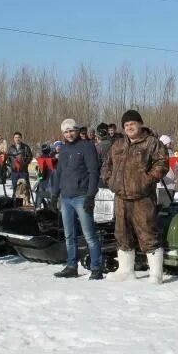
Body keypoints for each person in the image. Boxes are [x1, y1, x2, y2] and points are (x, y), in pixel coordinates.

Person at [101, 109, 170, 283]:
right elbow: (106, 165)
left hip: (143, 197)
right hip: (121, 197)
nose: (129, 127)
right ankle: (125, 270)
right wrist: (110, 181)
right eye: (126, 125)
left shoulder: (152, 143)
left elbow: (162, 164)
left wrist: (146, 181)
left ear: (140, 124)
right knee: (122, 233)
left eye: (132, 123)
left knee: (147, 233)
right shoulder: (117, 145)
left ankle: (155, 273)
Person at [52, 118, 105, 279]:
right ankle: (71, 266)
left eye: (71, 131)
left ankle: (96, 267)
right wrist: (55, 193)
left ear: (77, 130)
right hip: (66, 197)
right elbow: (58, 172)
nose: (69, 134)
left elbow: (93, 172)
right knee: (69, 234)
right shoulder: (64, 150)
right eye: (66, 132)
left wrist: (90, 195)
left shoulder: (87, 147)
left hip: (82, 196)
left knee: (89, 234)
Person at [7, 132, 33, 205]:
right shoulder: (11, 148)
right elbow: (8, 158)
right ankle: (15, 201)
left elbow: (30, 156)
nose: (17, 139)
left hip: (23, 170)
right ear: (13, 139)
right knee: (15, 186)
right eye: (16, 137)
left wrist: (25, 163)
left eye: (18, 137)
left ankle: (27, 201)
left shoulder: (26, 147)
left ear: (21, 138)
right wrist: (11, 165)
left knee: (26, 186)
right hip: (14, 171)